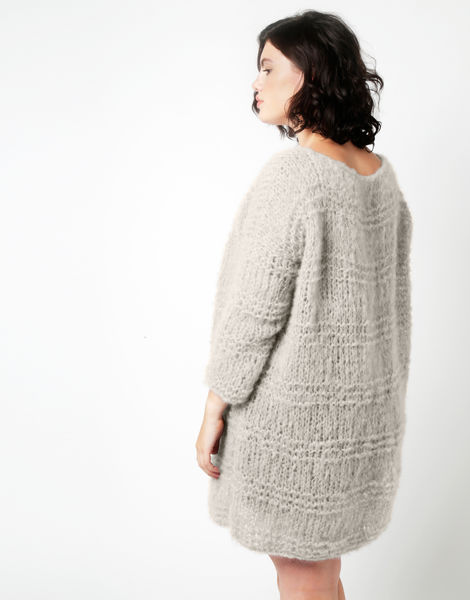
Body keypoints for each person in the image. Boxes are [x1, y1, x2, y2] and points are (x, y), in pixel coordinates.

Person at [196, 9, 412, 600]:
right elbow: (394, 308)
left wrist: (215, 405)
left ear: (310, 74)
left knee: (302, 578)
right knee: (321, 575)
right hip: (362, 421)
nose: (256, 82)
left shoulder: (295, 177)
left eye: (269, 68)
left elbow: (254, 310)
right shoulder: (380, 177)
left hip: (298, 429)